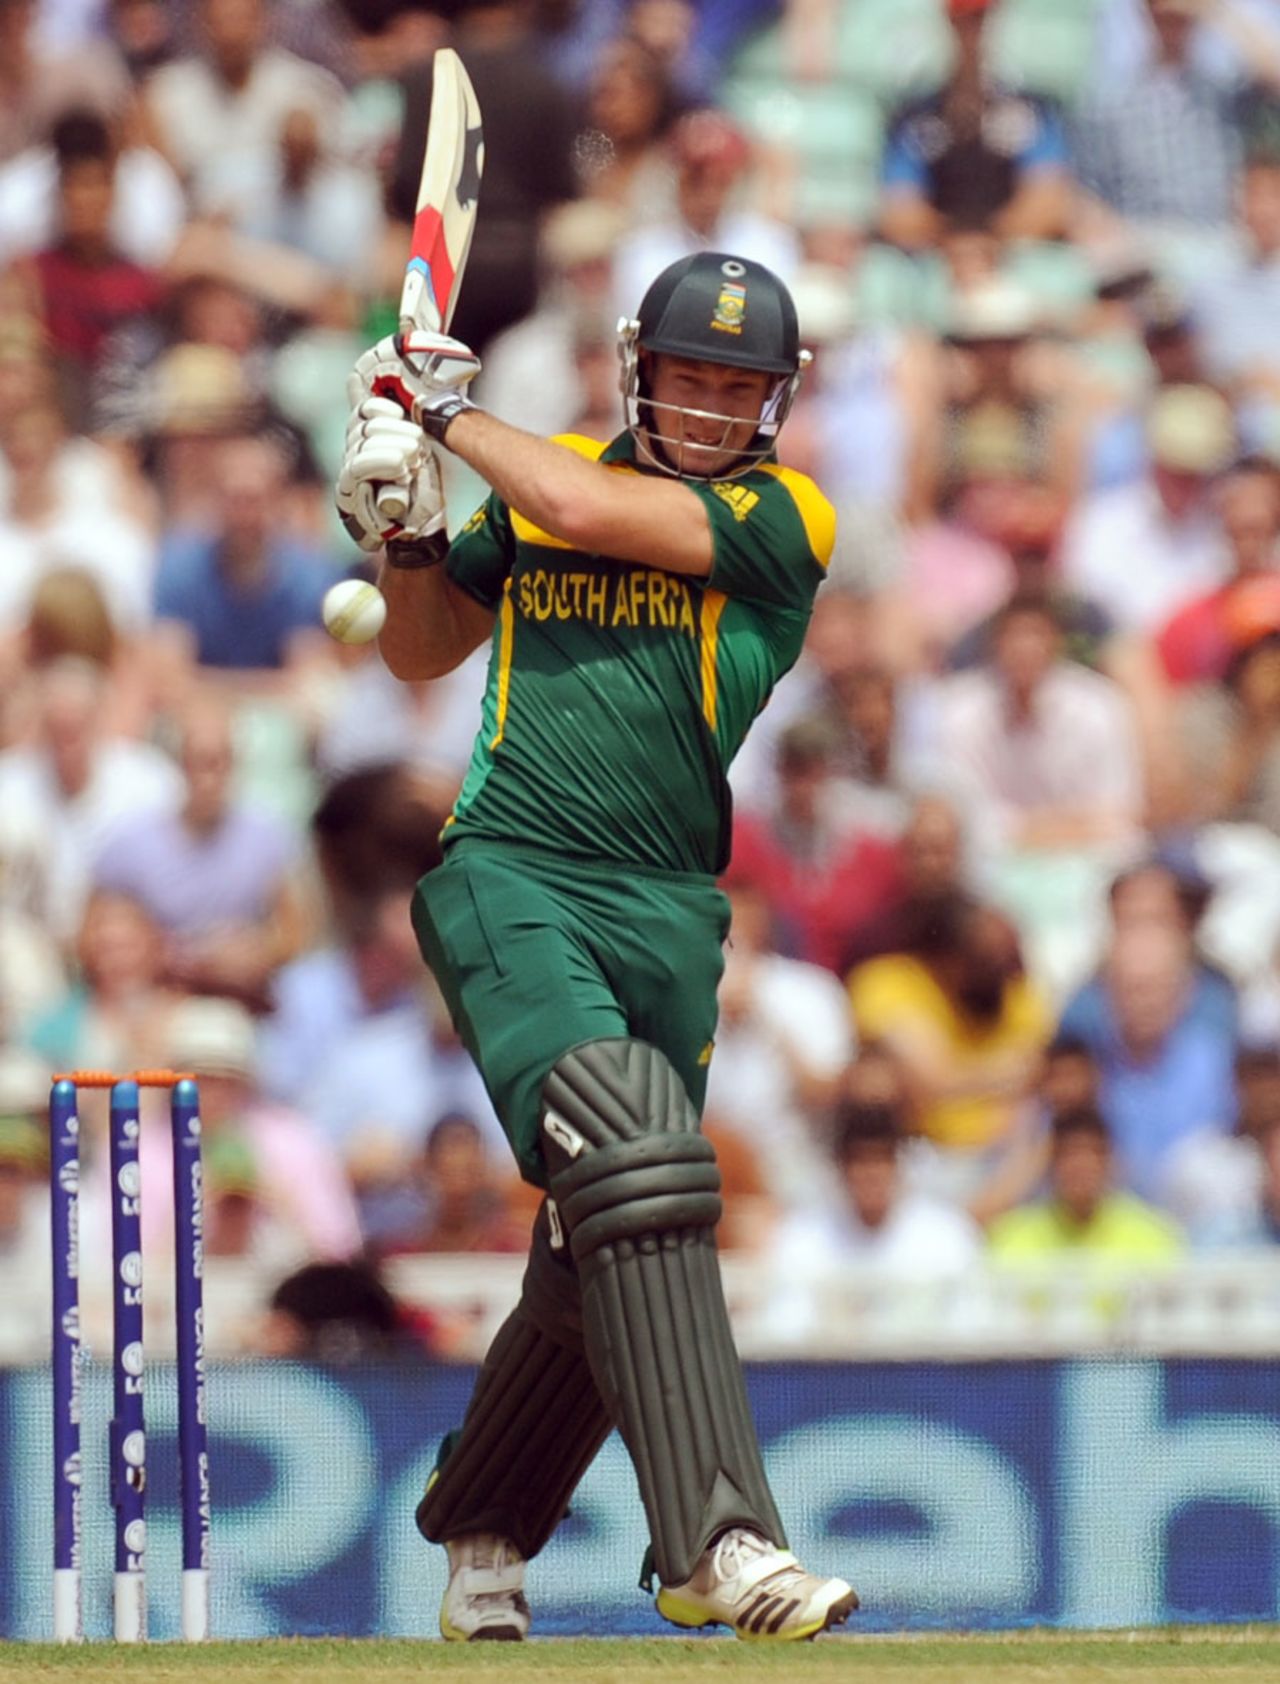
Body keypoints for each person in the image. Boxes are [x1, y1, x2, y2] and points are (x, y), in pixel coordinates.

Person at [334, 250, 857, 1642]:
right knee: (629, 1151)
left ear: (777, 406)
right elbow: (423, 651)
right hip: (511, 875)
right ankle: (721, 1543)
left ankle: (484, 1529)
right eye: (690, 375)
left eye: (739, 387)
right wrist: (406, 529)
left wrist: (440, 415)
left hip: (671, 910)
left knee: (609, 1230)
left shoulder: (782, 518)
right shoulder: (540, 477)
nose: (708, 407)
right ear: (642, 368)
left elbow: (577, 500)